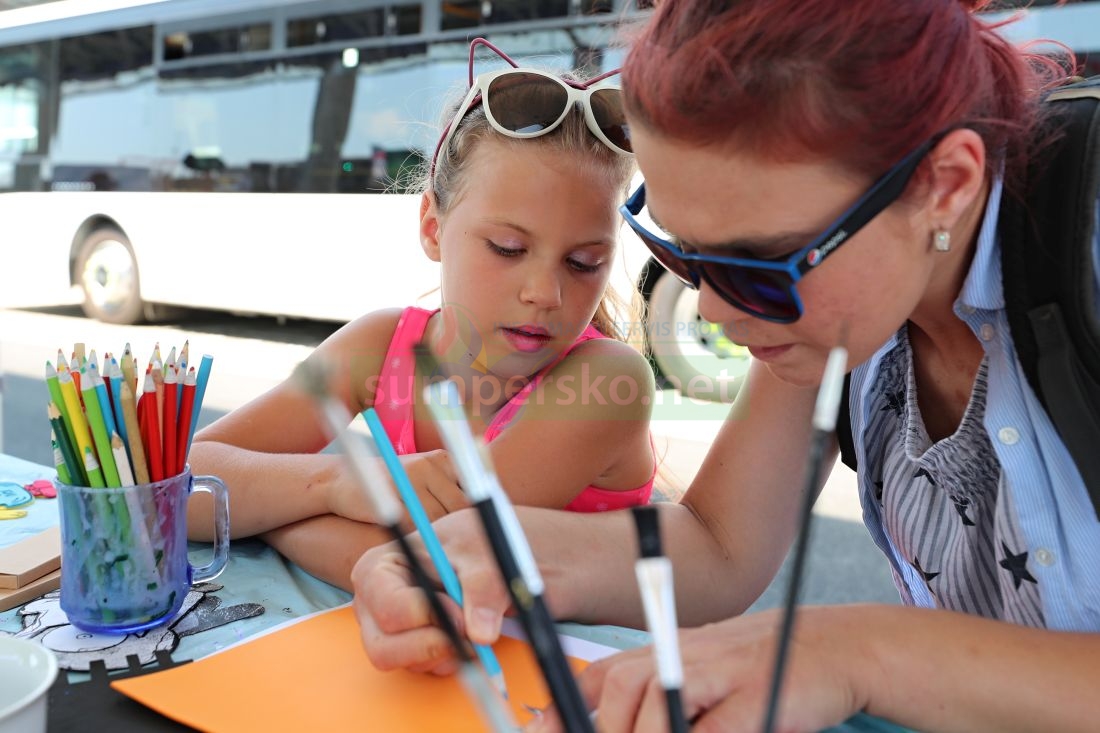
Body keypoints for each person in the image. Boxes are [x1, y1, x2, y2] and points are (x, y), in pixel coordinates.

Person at [350, 2, 1100, 731]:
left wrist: (858, 653)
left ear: (945, 184)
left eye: (759, 262)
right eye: (685, 252)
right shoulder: (850, 299)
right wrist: (492, 548)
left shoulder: (1082, 252)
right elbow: (719, 544)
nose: (714, 309)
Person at [186, 39, 657, 591]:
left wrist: (265, 514)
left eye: (584, 263)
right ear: (433, 227)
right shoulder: (382, 346)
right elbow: (180, 483)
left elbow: (440, 567)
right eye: (507, 248)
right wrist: (335, 484)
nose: (544, 293)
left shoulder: (608, 382)